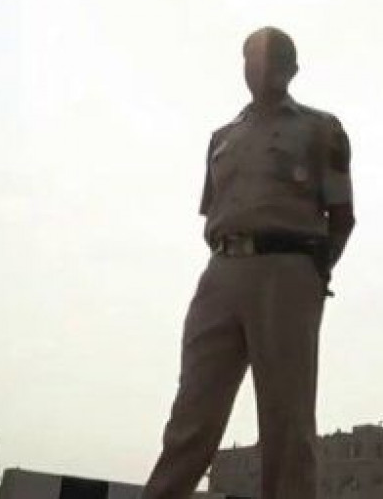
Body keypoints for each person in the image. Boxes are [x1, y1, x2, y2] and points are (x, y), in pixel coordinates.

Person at [142, 26, 355, 499]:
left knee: (286, 420)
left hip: (288, 268)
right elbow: (216, 209)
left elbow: (342, 216)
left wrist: (314, 273)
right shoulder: (222, 138)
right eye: (254, 58)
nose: (262, 67)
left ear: (293, 68)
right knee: (191, 414)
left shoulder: (321, 130)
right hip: (221, 270)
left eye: (275, 58)